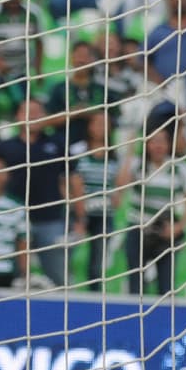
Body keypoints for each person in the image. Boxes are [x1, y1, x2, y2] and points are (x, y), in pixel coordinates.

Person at [115, 122, 186, 296]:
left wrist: (177, 228)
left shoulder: (178, 168)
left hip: (165, 231)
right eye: (153, 141)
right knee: (135, 284)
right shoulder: (138, 165)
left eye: (162, 141)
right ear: (147, 144)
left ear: (169, 144)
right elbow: (121, 186)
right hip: (138, 228)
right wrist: (130, 152)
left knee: (166, 286)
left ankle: (164, 321)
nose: (158, 146)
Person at [0, 100, 69, 287]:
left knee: (57, 275)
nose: (32, 115)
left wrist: (77, 215)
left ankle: (62, 313)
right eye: (27, 111)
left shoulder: (57, 144)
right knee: (15, 277)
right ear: (17, 116)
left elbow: (69, 179)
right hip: (13, 220)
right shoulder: (4, 147)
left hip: (49, 219)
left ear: (45, 116)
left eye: (37, 111)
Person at [67, 112, 118, 287]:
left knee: (97, 265)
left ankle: (95, 298)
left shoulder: (114, 154)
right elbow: (74, 184)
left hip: (104, 215)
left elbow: (117, 187)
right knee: (69, 256)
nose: (101, 127)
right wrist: (80, 217)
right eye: (97, 123)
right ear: (90, 126)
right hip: (79, 213)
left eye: (106, 123)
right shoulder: (78, 151)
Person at [0, 154, 27, 289]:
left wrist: (25, 274)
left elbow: (23, 243)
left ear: (7, 176)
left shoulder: (17, 207)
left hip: (3, 271)